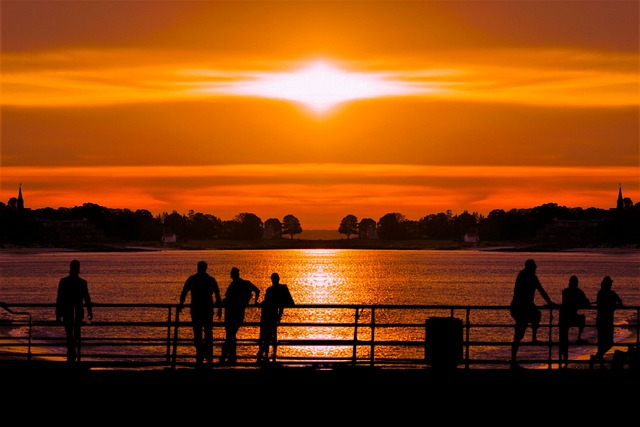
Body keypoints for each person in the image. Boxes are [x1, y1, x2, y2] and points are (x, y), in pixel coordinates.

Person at [509, 259, 554, 368]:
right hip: (519, 307)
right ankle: (513, 360)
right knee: (519, 334)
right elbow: (540, 291)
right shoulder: (526, 276)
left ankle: (533, 337)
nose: (535, 270)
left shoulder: (527, 276)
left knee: (536, 315)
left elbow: (541, 290)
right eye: (534, 268)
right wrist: (549, 302)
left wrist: (549, 302)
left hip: (523, 306)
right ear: (530, 268)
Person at [177, 260, 222, 368]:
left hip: (197, 310)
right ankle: (207, 354)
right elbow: (217, 295)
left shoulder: (192, 279)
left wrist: (181, 304)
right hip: (207, 310)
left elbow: (184, 292)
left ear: (198, 268)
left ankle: (201, 354)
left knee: (198, 333)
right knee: (208, 333)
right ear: (206, 268)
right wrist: (220, 309)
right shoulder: (211, 280)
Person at [219, 267, 260, 365]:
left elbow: (228, 298)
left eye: (232, 273)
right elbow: (257, 290)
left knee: (230, 334)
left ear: (234, 275)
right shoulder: (245, 283)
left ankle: (227, 356)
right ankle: (231, 356)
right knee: (231, 334)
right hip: (239, 312)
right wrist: (255, 301)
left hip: (231, 313)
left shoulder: (234, 285)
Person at [55, 259, 93, 363]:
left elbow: (59, 298)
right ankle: (73, 353)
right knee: (75, 334)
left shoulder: (64, 282)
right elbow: (87, 299)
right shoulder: (82, 283)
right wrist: (90, 312)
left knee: (70, 334)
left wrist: (58, 314)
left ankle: (71, 353)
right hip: (75, 312)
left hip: (68, 311)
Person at [256, 272, 295, 364]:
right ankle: (272, 356)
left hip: (266, 315)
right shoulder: (282, 289)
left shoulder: (270, 290)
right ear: (278, 279)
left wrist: (259, 304)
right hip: (274, 315)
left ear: (272, 280)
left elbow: (266, 302)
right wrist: (280, 313)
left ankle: (264, 354)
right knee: (272, 336)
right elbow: (290, 303)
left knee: (264, 336)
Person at [558, 275, 591, 368]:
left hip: (564, 318)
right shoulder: (578, 292)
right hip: (569, 317)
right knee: (582, 319)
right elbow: (586, 302)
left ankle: (563, 359)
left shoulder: (565, 291)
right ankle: (579, 337)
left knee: (563, 339)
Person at [592, 276, 623, 368]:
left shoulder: (600, 293)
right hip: (607, 321)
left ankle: (597, 358)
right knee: (608, 342)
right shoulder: (611, 294)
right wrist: (614, 304)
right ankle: (598, 359)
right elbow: (620, 302)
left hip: (601, 320)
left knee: (602, 342)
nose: (611, 285)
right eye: (610, 284)